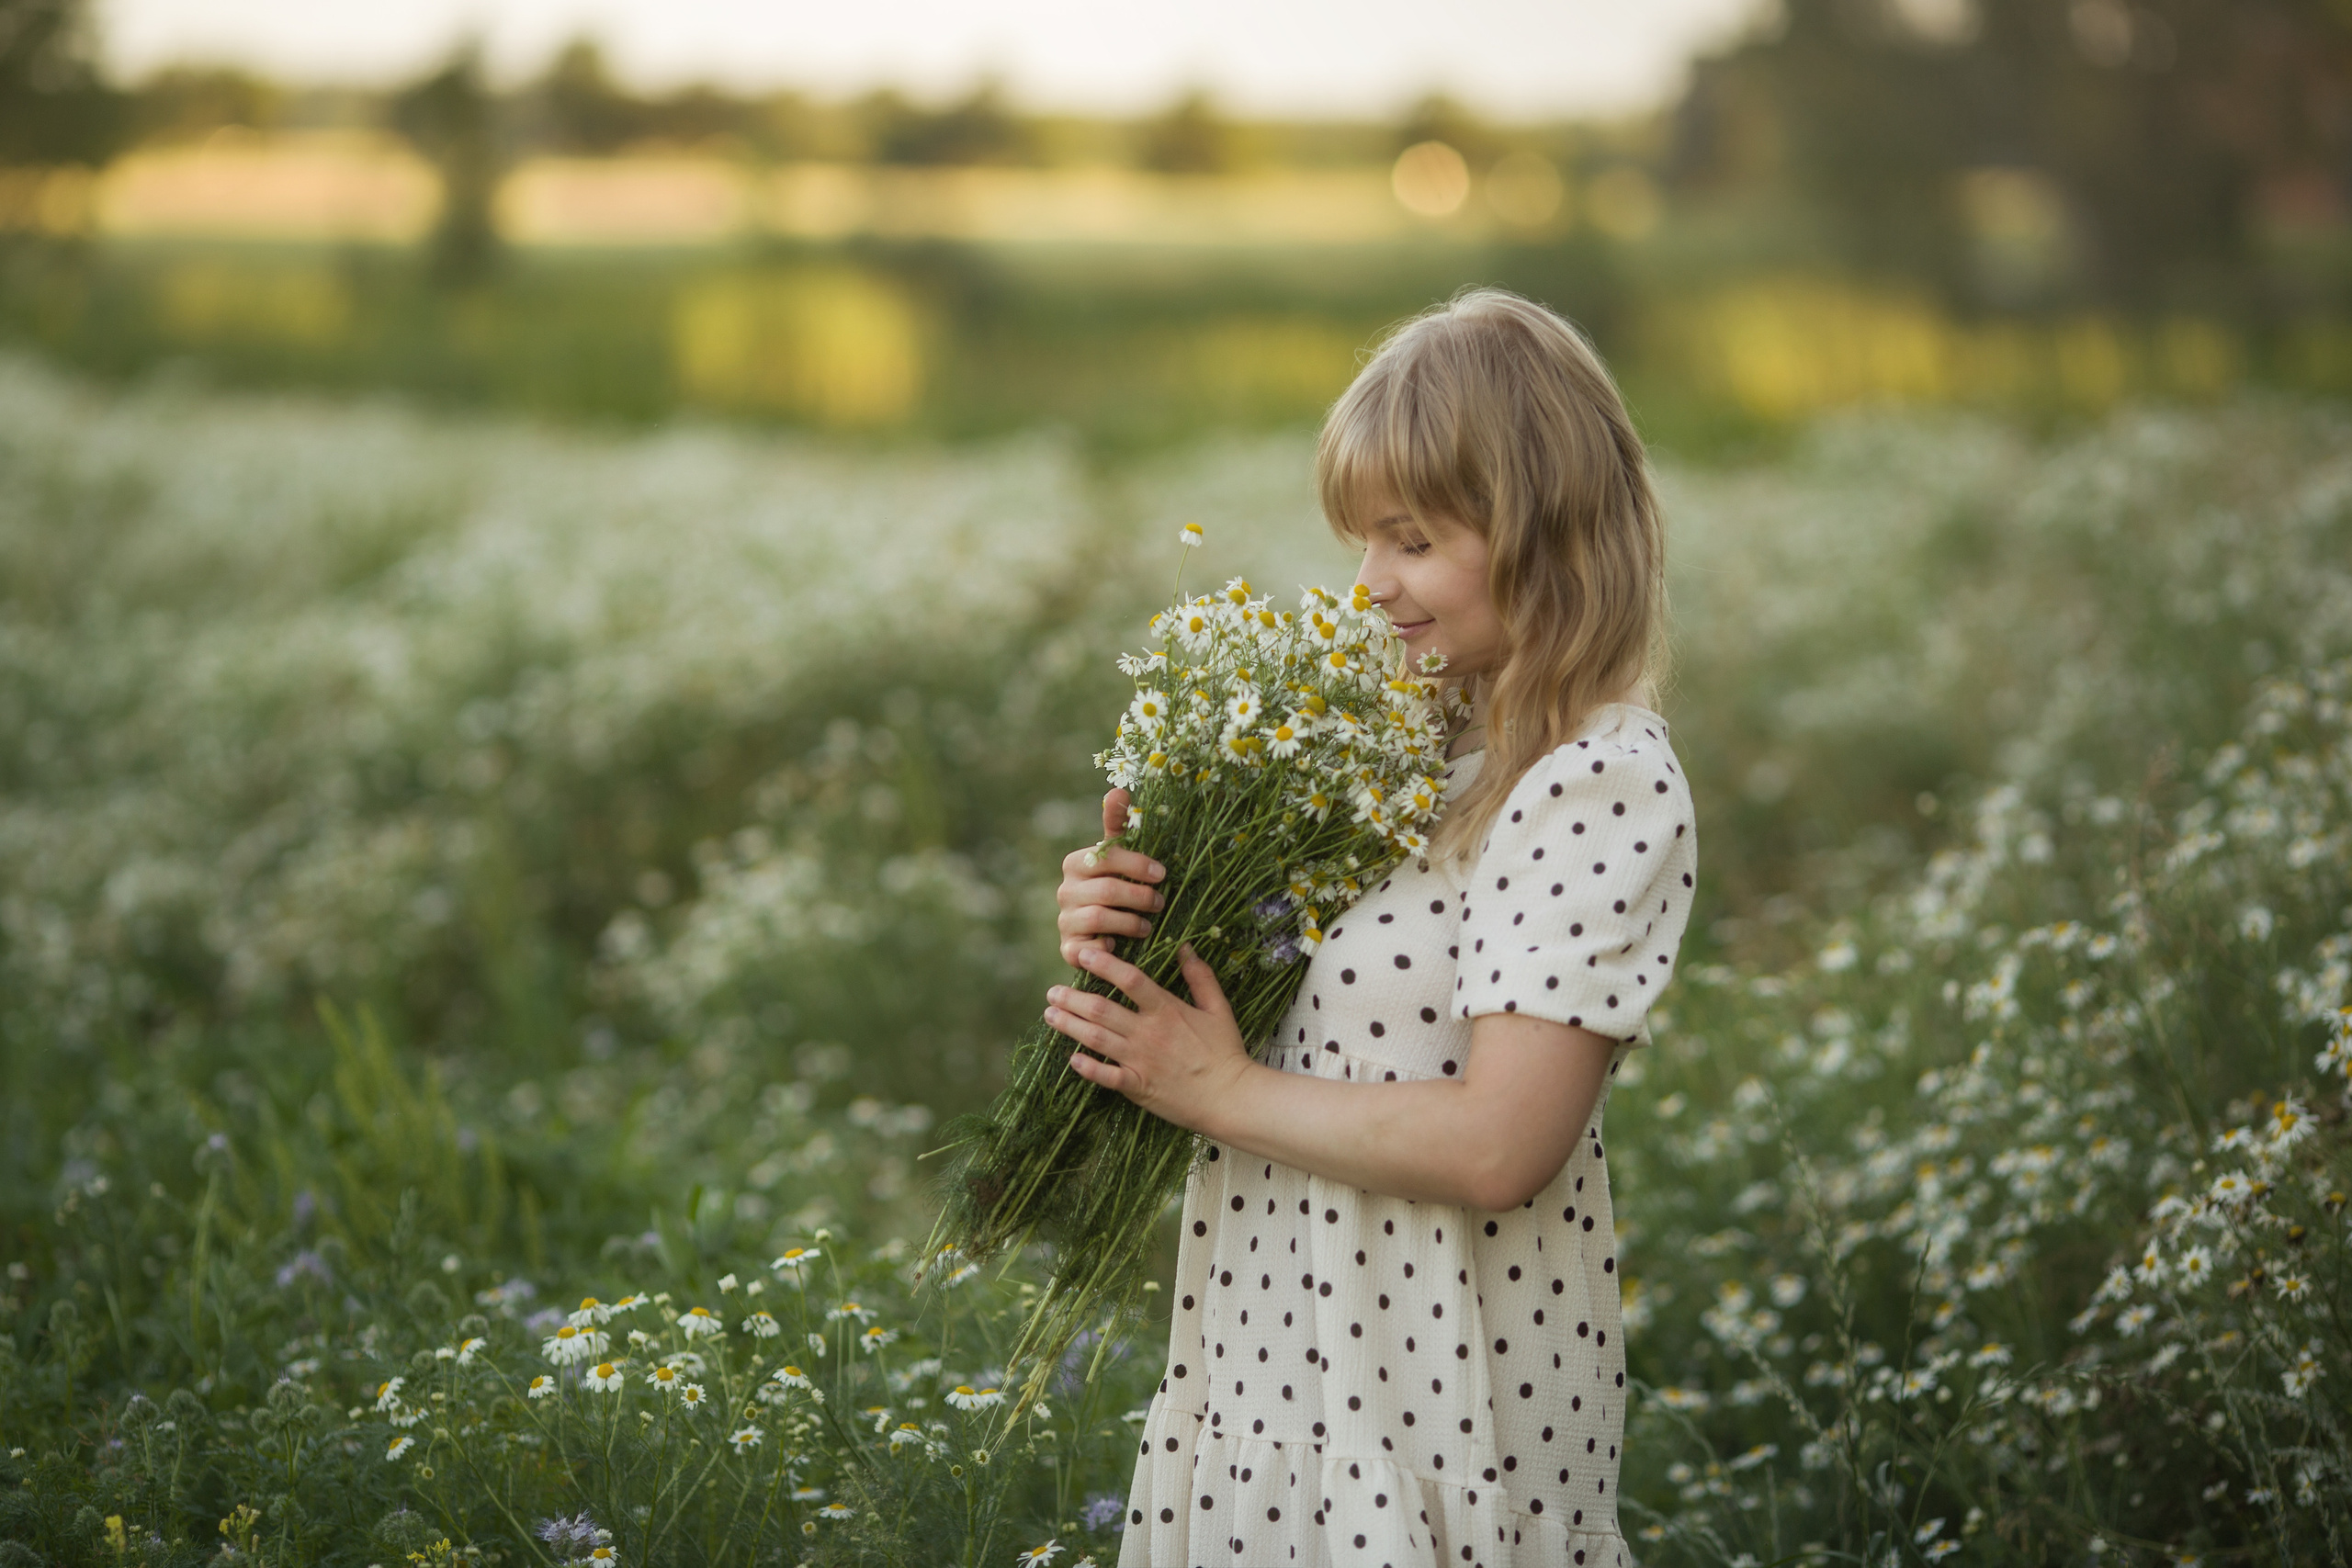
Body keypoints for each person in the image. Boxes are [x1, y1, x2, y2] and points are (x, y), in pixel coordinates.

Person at [1046, 288, 1692, 1567]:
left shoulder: (1594, 780)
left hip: (1435, 1414)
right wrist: (1133, 919)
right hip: (1277, 1372)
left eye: (1410, 543)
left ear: (1545, 538)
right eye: (1359, 541)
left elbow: (1504, 1144)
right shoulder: (1402, 743)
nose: (1366, 588)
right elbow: (1293, 1007)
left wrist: (1216, 1090)